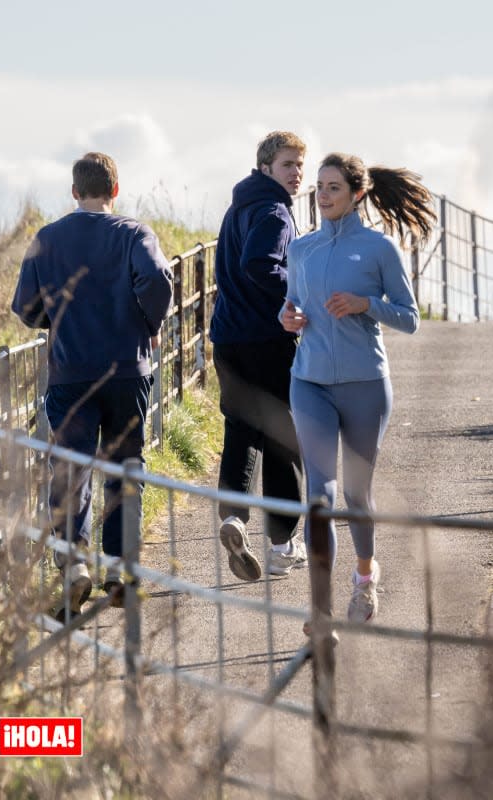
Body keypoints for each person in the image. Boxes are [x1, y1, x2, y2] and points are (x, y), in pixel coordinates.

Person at [12, 152, 173, 619]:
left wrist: (54, 322)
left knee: (70, 466)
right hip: (128, 369)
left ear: (75, 192)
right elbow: (158, 278)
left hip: (71, 372)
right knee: (125, 467)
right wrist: (147, 321)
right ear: (115, 191)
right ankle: (120, 569)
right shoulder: (134, 233)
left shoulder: (48, 237)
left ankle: (73, 562)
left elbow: (25, 308)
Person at [280, 151, 436, 627]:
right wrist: (288, 318)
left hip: (366, 385)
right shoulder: (301, 248)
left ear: (356, 195)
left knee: (356, 495)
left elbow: (409, 318)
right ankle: (319, 606)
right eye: (319, 188)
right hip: (309, 382)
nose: (323, 196)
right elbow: (291, 307)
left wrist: (365, 303)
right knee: (319, 496)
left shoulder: (378, 248)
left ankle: (366, 578)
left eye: (333, 188)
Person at [210, 131, 307, 581]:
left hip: (228, 339)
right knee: (283, 438)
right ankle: (283, 545)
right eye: (288, 164)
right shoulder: (273, 210)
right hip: (267, 339)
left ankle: (234, 517)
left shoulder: (238, 208)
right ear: (266, 167)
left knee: (241, 431)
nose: (297, 173)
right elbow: (260, 264)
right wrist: (295, 296)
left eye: (300, 165)